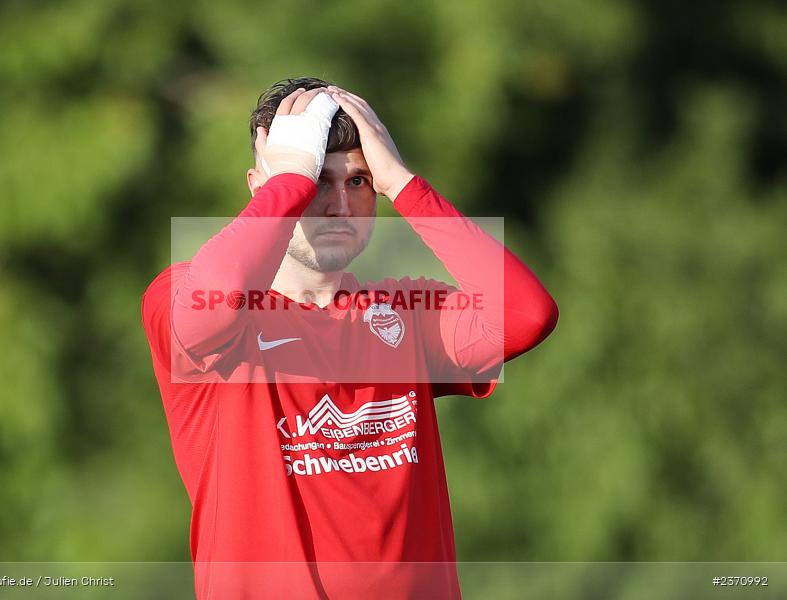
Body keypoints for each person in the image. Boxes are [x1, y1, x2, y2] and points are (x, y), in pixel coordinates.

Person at [141, 77, 558, 599]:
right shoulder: (185, 296)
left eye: (358, 181)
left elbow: (527, 314)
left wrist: (402, 183)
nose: (340, 205)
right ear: (262, 186)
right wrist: (289, 181)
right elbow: (221, 298)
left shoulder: (406, 315)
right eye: (318, 180)